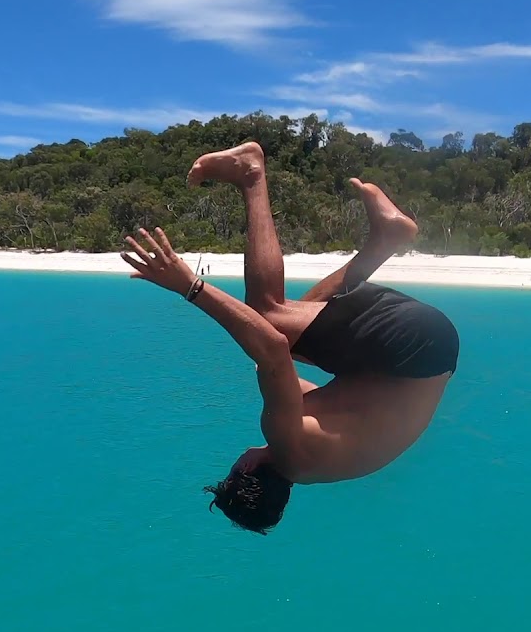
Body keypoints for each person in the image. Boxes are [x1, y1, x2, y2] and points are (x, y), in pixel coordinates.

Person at [121, 142, 459, 535]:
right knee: (268, 313)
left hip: (430, 353)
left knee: (291, 326)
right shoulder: (283, 440)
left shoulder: (317, 462)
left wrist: (269, 370)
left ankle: (384, 240)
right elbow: (274, 350)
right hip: (410, 347)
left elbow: (311, 384)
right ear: (244, 469)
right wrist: (189, 286)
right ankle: (251, 174)